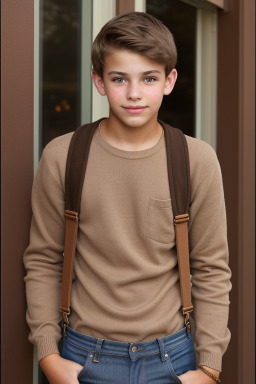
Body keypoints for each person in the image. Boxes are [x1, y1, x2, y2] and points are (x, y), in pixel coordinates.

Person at [24, 12, 231, 384]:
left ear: (169, 81)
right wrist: (48, 354)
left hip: (174, 358)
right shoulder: (63, 156)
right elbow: (44, 260)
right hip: (83, 356)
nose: (134, 93)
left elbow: (211, 268)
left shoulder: (195, 160)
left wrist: (209, 367)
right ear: (99, 81)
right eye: (119, 79)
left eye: (149, 78)